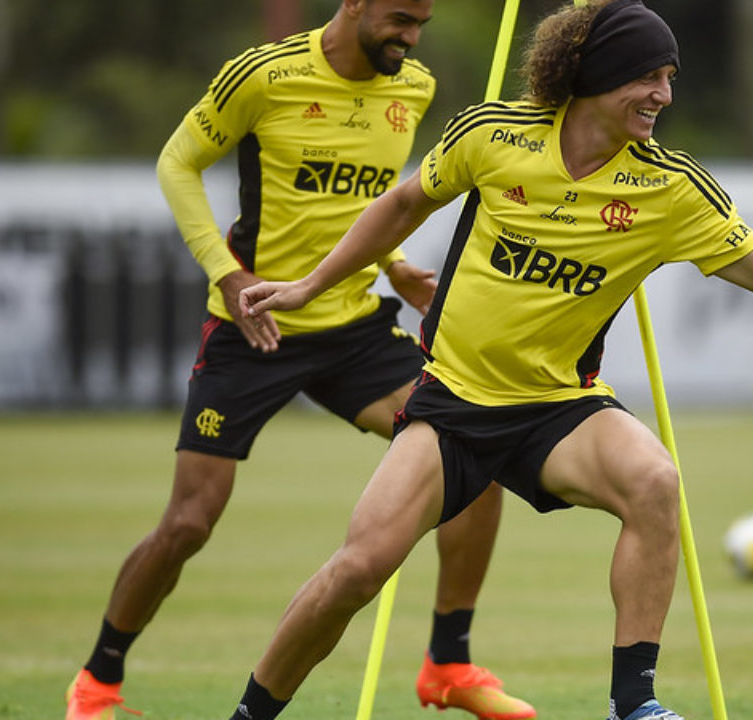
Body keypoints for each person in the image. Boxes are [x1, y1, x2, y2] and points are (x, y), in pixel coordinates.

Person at [229, 1, 753, 719]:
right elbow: (400, 206)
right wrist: (310, 284)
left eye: (670, 79)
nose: (663, 93)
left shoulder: (670, 187)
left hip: (557, 408)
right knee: (356, 572)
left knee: (654, 481)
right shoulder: (494, 135)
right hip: (452, 404)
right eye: (648, 76)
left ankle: (636, 703)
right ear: (593, 78)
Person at [64, 2, 535, 720]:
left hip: (353, 327)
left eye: (421, 24)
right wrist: (226, 273)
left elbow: (375, 200)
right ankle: (98, 682)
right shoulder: (264, 75)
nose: (410, 38)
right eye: (400, 19)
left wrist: (398, 263)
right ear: (354, 4)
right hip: (253, 328)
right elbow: (178, 163)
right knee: (190, 521)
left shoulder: (414, 88)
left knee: (477, 449)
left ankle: (449, 663)